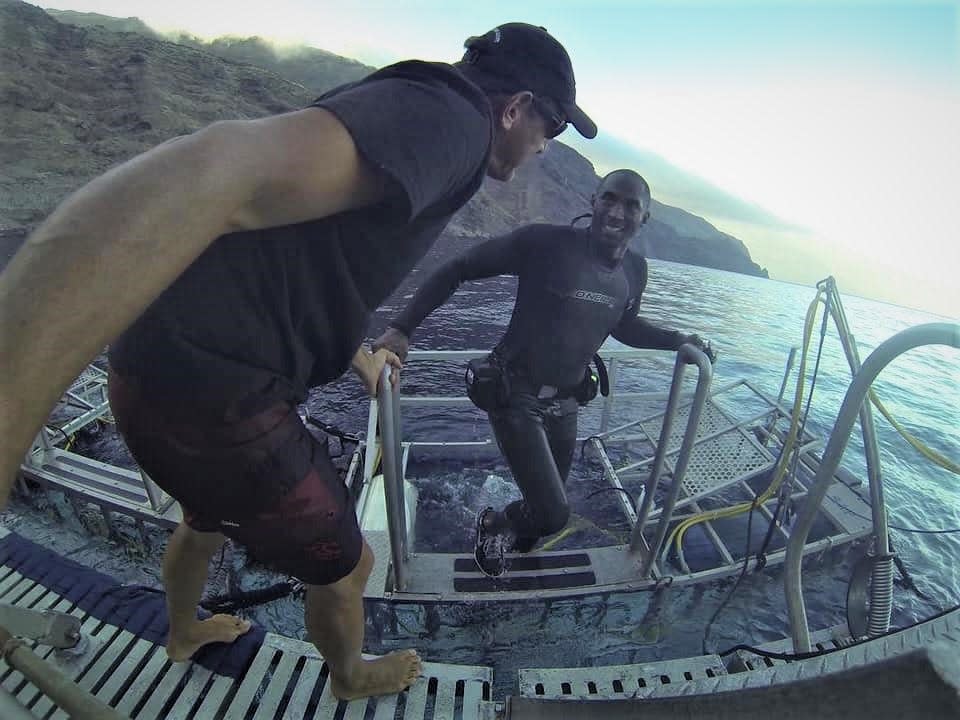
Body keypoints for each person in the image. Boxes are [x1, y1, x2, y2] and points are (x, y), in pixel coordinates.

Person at [0, 23, 597, 699]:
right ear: (514, 107)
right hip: (222, 404)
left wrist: (357, 355)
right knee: (348, 566)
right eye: (550, 126)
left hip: (147, 377)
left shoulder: (411, 106)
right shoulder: (453, 119)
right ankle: (349, 676)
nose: (547, 147)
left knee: (203, 521)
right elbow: (216, 165)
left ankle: (181, 631)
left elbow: (294, 264)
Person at [374, 169, 715, 577]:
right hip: (514, 392)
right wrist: (402, 327)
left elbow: (624, 326)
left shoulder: (635, 271)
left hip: (566, 401)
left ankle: (514, 557)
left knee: (541, 514)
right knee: (554, 513)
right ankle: (492, 524)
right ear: (593, 201)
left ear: (645, 217)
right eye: (609, 198)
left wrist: (679, 338)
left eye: (630, 205)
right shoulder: (545, 244)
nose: (616, 211)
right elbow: (459, 267)